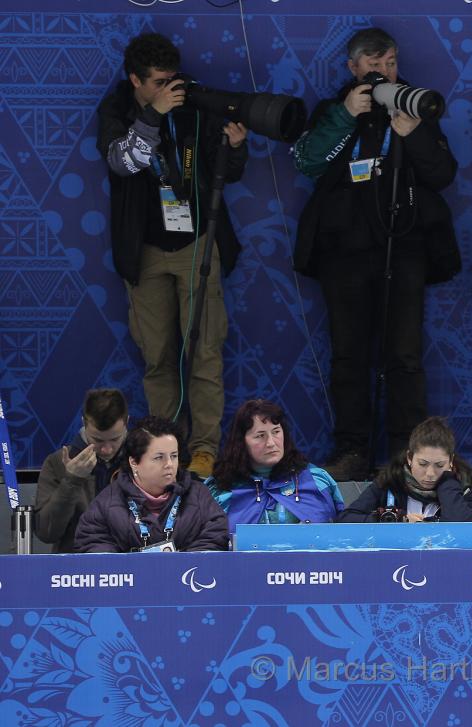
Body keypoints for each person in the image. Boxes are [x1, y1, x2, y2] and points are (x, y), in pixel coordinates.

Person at [292, 27, 458, 481]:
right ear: (352, 68)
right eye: (372, 64)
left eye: (389, 63)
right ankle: (351, 450)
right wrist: (345, 116)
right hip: (344, 253)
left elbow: (443, 173)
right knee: (349, 355)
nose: (382, 71)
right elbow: (308, 161)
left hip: (403, 248)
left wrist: (416, 134)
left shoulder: (415, 106)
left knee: (404, 356)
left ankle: (408, 455)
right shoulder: (333, 109)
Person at [97, 32, 249, 479]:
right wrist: (152, 116)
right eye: (160, 82)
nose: (171, 88)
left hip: (196, 241)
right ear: (136, 81)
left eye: (173, 79)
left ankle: (203, 450)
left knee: (204, 351)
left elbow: (223, 171)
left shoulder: (191, 103)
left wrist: (236, 148)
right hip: (143, 249)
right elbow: (124, 162)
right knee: (158, 356)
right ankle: (168, 451)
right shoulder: (117, 109)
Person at [75, 416, 228, 552]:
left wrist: (183, 565)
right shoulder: (106, 503)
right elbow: (93, 543)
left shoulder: (199, 495)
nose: (169, 464)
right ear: (134, 462)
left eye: (174, 456)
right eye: (159, 457)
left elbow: (215, 536)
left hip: (187, 580)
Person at [206, 400, 344, 525]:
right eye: (260, 436)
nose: (271, 443)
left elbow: (341, 536)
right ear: (241, 443)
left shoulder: (316, 479)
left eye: (276, 432)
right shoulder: (219, 489)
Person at [34, 389, 130, 553]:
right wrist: (71, 481)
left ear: (127, 422)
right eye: (97, 440)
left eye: (115, 439)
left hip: (132, 565)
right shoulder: (56, 463)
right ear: (84, 424)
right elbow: (46, 533)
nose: (107, 449)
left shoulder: (142, 460)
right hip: (75, 568)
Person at [339, 417, 472, 522]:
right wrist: (398, 520)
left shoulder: (465, 488)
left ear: (450, 461)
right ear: (409, 458)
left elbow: (463, 526)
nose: (430, 474)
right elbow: (346, 518)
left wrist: (448, 483)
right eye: (422, 464)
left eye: (439, 465)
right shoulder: (389, 482)